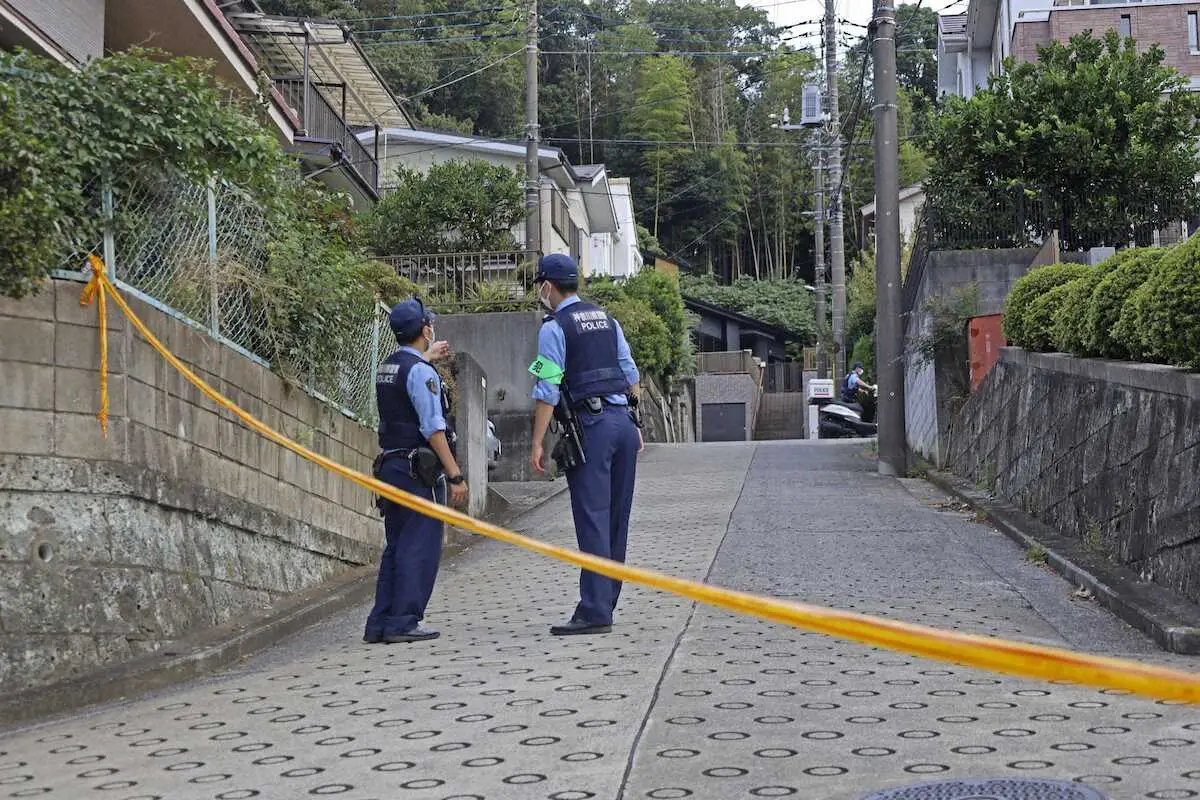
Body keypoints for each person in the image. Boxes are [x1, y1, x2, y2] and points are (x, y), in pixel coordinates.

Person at [528, 253, 643, 636]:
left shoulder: (553, 326)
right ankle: (604, 600)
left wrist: (537, 442)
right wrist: (636, 423)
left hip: (591, 427)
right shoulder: (608, 320)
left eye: (539, 286)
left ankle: (594, 611)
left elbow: (547, 389)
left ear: (548, 286)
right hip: (623, 424)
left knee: (592, 517)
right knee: (616, 518)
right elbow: (630, 373)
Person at [364, 298, 468, 644]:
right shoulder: (423, 374)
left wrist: (425, 358)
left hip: (392, 467)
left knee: (396, 544)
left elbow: (407, 379)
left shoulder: (388, 366)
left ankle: (381, 621)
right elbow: (433, 429)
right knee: (418, 546)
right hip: (418, 472)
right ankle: (404, 620)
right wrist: (455, 475)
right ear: (425, 330)